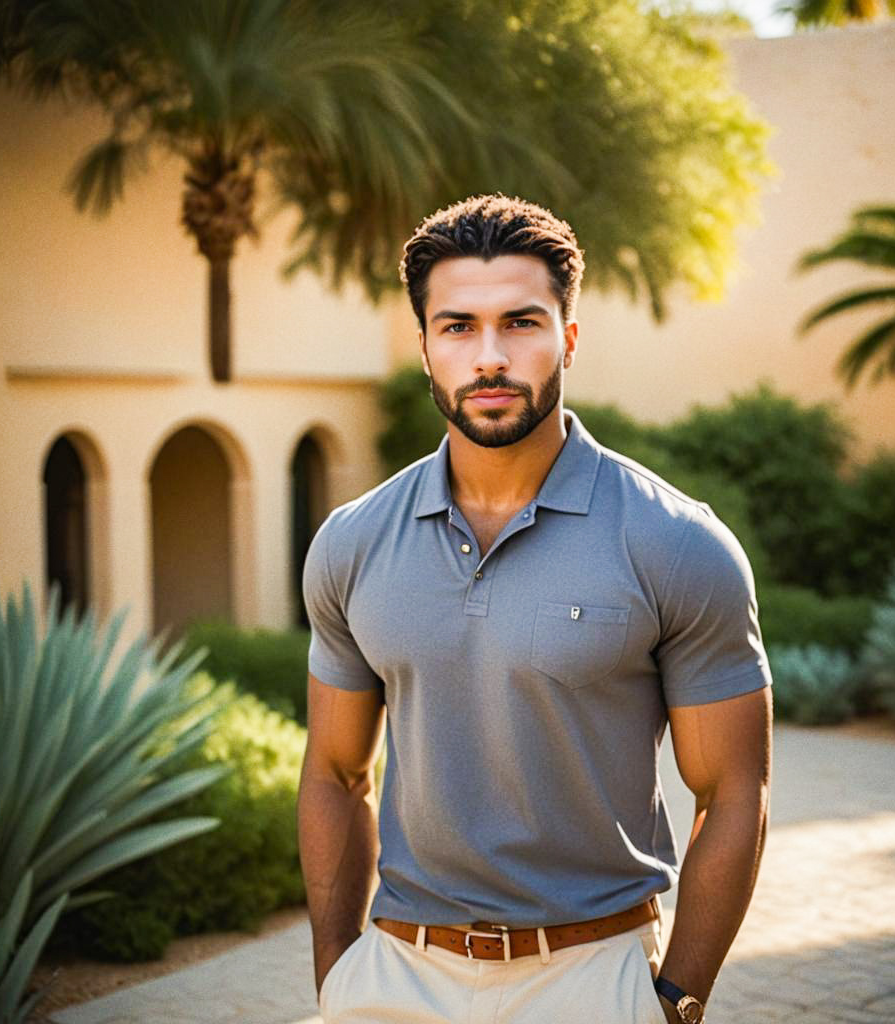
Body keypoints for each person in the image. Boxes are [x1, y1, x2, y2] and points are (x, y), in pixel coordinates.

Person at [298, 194, 772, 1024]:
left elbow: (734, 793)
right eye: (457, 328)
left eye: (520, 323)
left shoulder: (676, 544)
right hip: (396, 979)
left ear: (570, 337)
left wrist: (675, 1003)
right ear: (424, 349)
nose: (489, 358)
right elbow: (337, 774)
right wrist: (338, 976)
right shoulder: (353, 542)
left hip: (592, 978)